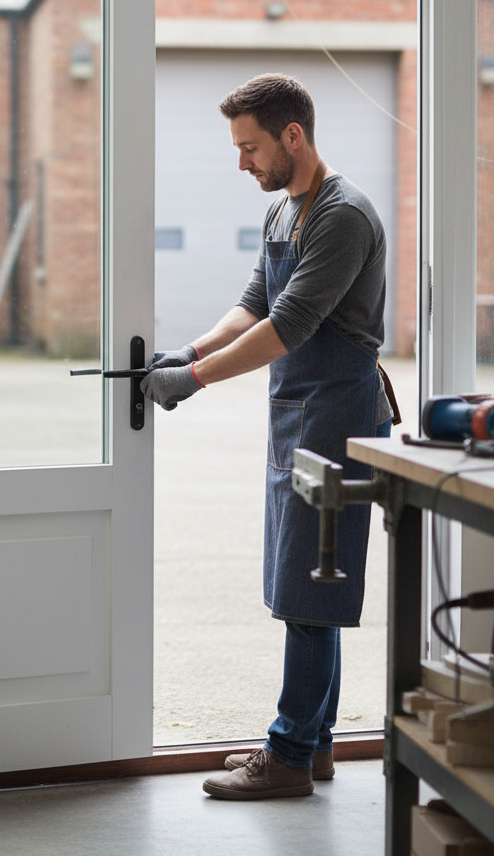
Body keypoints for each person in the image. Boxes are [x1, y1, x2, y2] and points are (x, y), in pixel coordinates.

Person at [142, 72, 395, 801]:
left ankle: (286, 756)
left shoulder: (343, 215)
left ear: (293, 135)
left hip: (339, 417)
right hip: (299, 414)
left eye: (250, 148)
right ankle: (315, 747)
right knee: (305, 586)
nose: (241, 163)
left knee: (312, 591)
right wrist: (189, 351)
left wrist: (195, 381)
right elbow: (254, 302)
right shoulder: (285, 210)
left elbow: (289, 326)